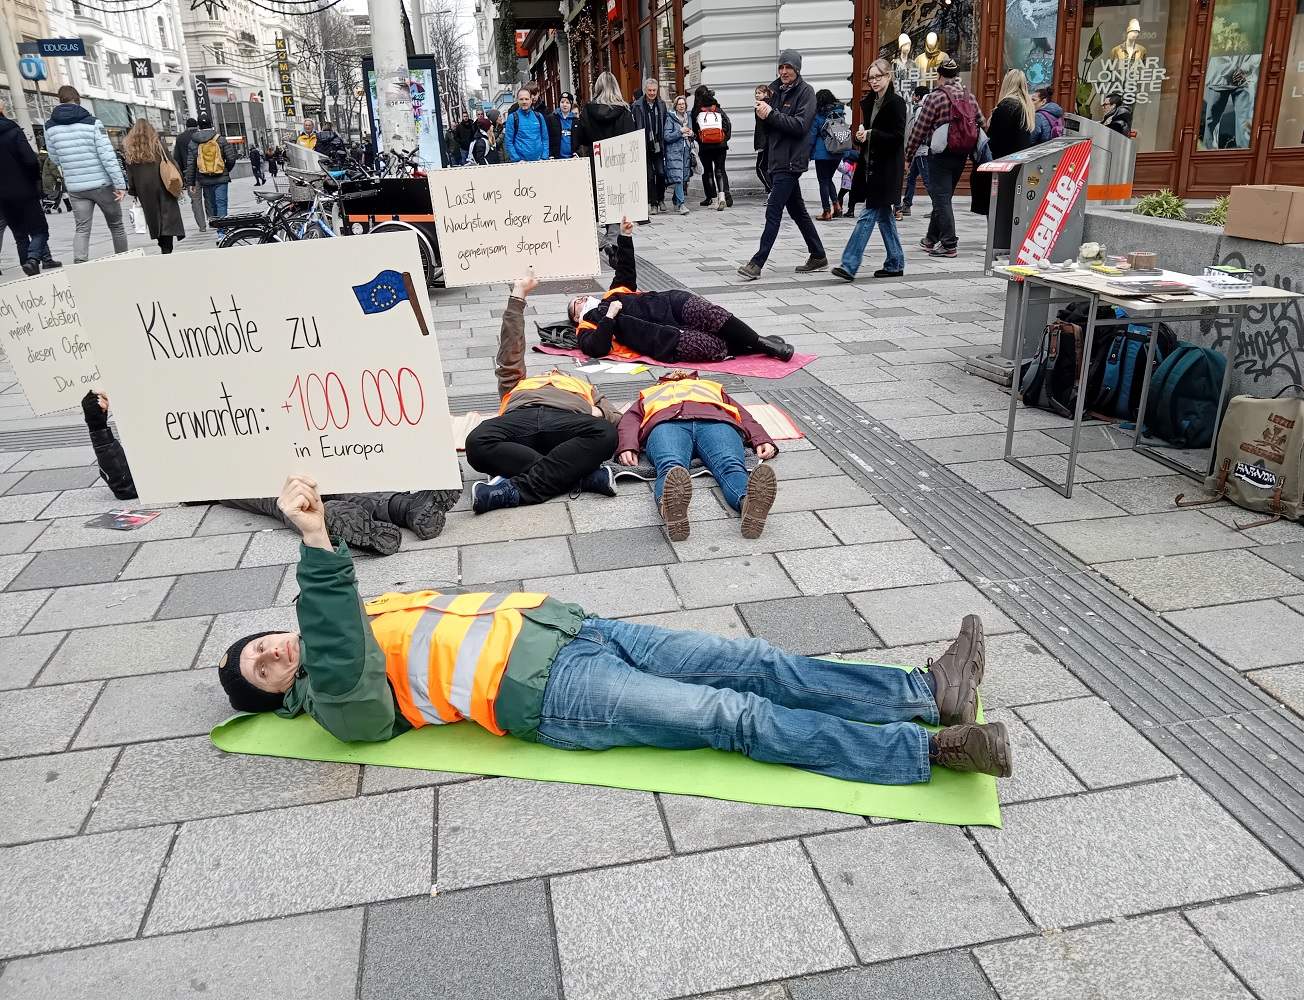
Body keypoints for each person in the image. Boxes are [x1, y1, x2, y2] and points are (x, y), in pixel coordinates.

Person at [217, 474, 1013, 785]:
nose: (277, 652)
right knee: (728, 717)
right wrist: (318, 541)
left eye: (264, 644)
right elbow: (338, 650)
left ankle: (924, 692)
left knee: (752, 662)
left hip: (573, 632)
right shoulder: (336, 701)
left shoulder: (335, 636)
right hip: (553, 693)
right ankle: (927, 750)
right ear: (276, 697)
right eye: (265, 669)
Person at [81, 392, 457, 555]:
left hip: (273, 439)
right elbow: (127, 486)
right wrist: (98, 425)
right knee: (290, 495)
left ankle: (399, 509)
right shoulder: (155, 428)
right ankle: (394, 509)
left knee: (316, 480)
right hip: (226, 473)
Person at [465, 267, 619, 515]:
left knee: (606, 434)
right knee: (475, 442)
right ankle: (579, 477)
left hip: (567, 422)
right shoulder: (519, 385)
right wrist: (518, 296)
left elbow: (616, 417)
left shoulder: (583, 387)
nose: (554, 371)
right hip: (519, 420)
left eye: (559, 372)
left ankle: (514, 491)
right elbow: (510, 353)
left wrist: (597, 412)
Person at [573, 218, 795, 363]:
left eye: (580, 296)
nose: (581, 298)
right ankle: (756, 344)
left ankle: (763, 343)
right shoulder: (586, 327)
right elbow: (597, 348)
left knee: (712, 315)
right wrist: (610, 317)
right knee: (708, 345)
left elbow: (626, 270)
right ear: (575, 316)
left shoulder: (612, 294)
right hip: (663, 339)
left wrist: (625, 237)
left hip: (671, 304)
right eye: (576, 303)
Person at [617, 372, 779, 541]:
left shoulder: (711, 386)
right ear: (663, 380)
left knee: (731, 464)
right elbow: (630, 420)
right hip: (667, 424)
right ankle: (669, 508)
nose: (677, 373)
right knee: (671, 467)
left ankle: (748, 503)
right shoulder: (650, 392)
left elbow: (743, 415)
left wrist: (761, 439)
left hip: (715, 422)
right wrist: (627, 446)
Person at [737, 51, 827, 280]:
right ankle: (818, 255)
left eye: (788, 67)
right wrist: (761, 112)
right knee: (798, 211)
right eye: (781, 67)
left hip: (791, 160)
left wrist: (772, 114)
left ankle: (757, 262)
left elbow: (800, 125)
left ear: (797, 69)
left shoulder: (806, 93)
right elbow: (767, 125)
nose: (784, 71)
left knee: (773, 210)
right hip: (776, 159)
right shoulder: (773, 90)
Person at [831, 58, 906, 284]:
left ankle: (849, 264)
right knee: (884, 217)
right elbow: (867, 135)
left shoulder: (896, 103)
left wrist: (873, 134)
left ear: (888, 76)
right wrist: (860, 137)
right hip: (869, 167)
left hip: (886, 169)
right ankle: (895, 263)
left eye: (878, 77)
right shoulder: (869, 102)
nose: (874, 81)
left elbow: (898, 137)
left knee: (867, 215)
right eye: (871, 78)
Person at [903, 60, 983, 259]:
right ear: (955, 76)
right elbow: (982, 123)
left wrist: (908, 156)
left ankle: (948, 243)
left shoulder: (935, 98)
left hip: (939, 154)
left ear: (939, 76)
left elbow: (919, 129)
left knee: (941, 199)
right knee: (943, 197)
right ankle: (931, 238)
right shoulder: (969, 96)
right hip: (961, 155)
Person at [42, 86, 128, 264]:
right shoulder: (93, 123)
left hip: (76, 187)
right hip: (102, 185)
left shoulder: (49, 127)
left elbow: (55, 158)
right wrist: (120, 184)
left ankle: (80, 262)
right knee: (116, 226)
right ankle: (123, 260)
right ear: (78, 99)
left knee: (82, 228)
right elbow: (108, 157)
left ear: (60, 100)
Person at [574, 72, 638, 248]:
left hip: (598, 159)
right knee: (616, 198)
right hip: (619, 161)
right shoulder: (624, 111)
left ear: (598, 87)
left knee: (602, 198)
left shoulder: (588, 110)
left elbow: (583, 137)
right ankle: (613, 237)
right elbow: (631, 138)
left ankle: (611, 236)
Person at [0, 102, 59, 276]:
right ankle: (33, 260)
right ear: (2, 110)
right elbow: (30, 160)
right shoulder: (13, 130)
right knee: (39, 230)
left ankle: (29, 268)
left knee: (19, 234)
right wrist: (34, 179)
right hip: (23, 190)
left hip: (2, 196)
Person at [971, 69, 1035, 216]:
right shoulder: (1026, 107)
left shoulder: (1007, 106)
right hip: (1017, 165)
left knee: (996, 212)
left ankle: (997, 239)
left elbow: (995, 139)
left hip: (1001, 165)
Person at [122, 119, 185, 255]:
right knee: (167, 217)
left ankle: (162, 243)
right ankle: (167, 247)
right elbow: (172, 163)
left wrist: (134, 191)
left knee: (154, 219)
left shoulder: (131, 151)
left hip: (144, 190)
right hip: (163, 186)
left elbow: (130, 174)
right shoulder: (159, 146)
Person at [183, 112, 237, 222]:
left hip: (204, 178)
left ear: (198, 126)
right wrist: (224, 169)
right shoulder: (220, 139)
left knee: (213, 205)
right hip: (220, 178)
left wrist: (191, 183)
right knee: (221, 204)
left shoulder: (193, 143)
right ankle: (222, 232)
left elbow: (191, 164)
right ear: (211, 124)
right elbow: (231, 158)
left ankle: (218, 225)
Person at [690, 85, 731, 210]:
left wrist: (701, 140)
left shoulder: (697, 111)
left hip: (705, 146)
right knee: (720, 170)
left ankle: (713, 200)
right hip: (720, 145)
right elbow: (727, 124)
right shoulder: (717, 109)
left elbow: (695, 131)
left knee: (708, 172)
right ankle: (722, 196)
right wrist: (724, 138)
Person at [632, 79, 669, 213]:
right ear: (645, 90)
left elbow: (665, 122)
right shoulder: (637, 105)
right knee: (649, 176)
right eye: (649, 90)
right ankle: (653, 204)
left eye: (654, 90)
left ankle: (661, 199)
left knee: (660, 173)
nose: (652, 93)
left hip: (658, 145)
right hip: (644, 145)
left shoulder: (662, 104)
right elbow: (634, 125)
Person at [810, 89, 847, 220]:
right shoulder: (840, 113)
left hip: (823, 153)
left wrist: (808, 152)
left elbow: (812, 135)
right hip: (838, 151)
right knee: (828, 179)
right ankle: (836, 205)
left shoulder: (819, 115)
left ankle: (827, 211)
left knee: (823, 181)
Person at [172, 118, 208, 234]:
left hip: (190, 173)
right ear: (196, 125)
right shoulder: (202, 135)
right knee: (209, 197)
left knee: (196, 200)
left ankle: (202, 226)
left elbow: (177, 158)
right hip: (206, 171)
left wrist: (181, 174)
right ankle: (213, 219)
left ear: (186, 126)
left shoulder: (180, 138)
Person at [898, 86, 930, 216]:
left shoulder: (921, 110)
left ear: (918, 97)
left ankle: (938, 207)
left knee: (927, 180)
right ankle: (907, 204)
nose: (912, 98)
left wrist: (910, 149)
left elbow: (919, 132)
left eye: (914, 95)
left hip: (922, 151)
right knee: (911, 177)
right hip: (918, 152)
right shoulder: (923, 109)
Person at [664, 95, 694, 215]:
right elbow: (667, 136)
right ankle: (681, 204)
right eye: (679, 104)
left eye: (683, 104)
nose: (682, 106)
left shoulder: (688, 117)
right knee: (678, 178)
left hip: (685, 151)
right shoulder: (670, 118)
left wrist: (692, 134)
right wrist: (679, 131)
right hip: (674, 152)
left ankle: (676, 201)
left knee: (683, 177)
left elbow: (691, 134)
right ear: (675, 106)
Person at [505, 88, 551, 162]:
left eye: (526, 99)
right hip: (521, 163)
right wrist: (517, 160)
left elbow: (545, 138)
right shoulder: (512, 118)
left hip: (539, 161)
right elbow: (509, 142)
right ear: (517, 101)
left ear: (531, 100)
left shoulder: (539, 116)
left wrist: (544, 157)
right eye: (521, 99)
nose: (524, 102)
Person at [753, 84, 773, 194]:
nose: (757, 95)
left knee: (761, 167)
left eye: (759, 93)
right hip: (769, 141)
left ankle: (771, 190)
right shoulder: (768, 104)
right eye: (756, 93)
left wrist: (760, 144)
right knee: (767, 167)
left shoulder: (761, 107)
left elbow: (761, 128)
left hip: (765, 142)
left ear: (765, 94)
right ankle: (770, 191)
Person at [835, 148, 857, 219]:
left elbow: (843, 169)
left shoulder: (848, 162)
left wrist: (837, 163)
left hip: (846, 183)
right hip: (853, 183)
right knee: (852, 197)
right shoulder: (855, 162)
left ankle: (839, 210)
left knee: (840, 195)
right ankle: (851, 211)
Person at [556, 92, 578, 158]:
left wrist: (578, 153)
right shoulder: (553, 119)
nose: (564, 105)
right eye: (562, 102)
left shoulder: (576, 121)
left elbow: (579, 140)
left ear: (571, 104)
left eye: (567, 102)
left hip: (573, 157)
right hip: (557, 158)